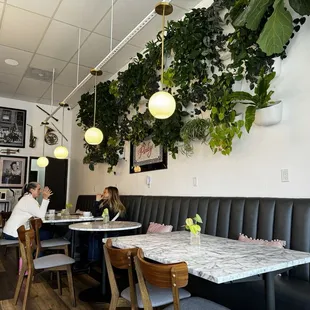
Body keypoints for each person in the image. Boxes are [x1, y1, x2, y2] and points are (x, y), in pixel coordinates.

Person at [87, 186, 126, 261]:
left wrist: (97, 201)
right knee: (92, 235)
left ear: (111, 194)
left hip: (113, 232)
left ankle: (93, 261)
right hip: (118, 231)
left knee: (93, 236)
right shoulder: (119, 206)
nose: (103, 194)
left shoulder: (107, 206)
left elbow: (95, 215)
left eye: (105, 192)